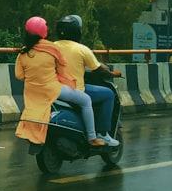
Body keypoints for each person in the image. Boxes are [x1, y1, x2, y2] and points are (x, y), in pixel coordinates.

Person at [14, 16, 105, 148]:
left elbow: (19, 75)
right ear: (43, 31)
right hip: (54, 90)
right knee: (86, 100)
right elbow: (62, 68)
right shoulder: (51, 48)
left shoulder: (23, 52)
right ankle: (92, 137)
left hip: (32, 91)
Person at [53, 14, 122, 147]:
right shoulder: (82, 49)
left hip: (53, 88)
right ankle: (102, 134)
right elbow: (98, 70)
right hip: (74, 89)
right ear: (77, 31)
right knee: (108, 94)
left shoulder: (51, 47)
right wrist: (112, 74)